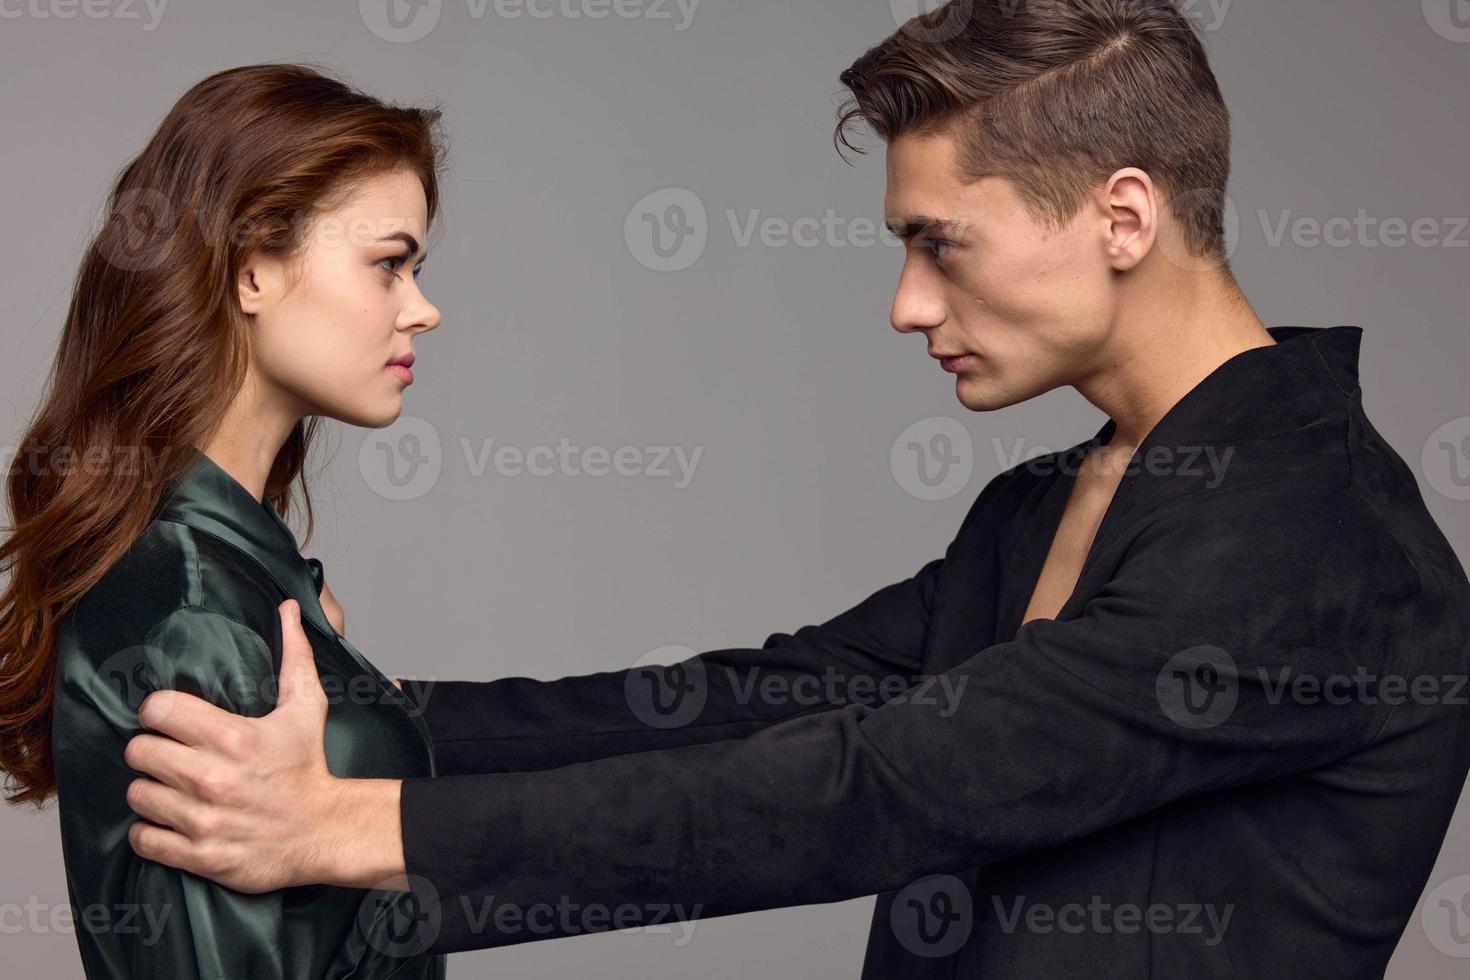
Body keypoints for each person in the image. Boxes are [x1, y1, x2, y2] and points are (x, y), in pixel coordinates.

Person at [115, 2, 1470, 977]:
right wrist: (375, 725)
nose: (903, 304)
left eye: (940, 245)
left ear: (1121, 218)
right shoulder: (1048, 500)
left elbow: (877, 789)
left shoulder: (1317, 534)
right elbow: (758, 701)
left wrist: (365, 824)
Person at [0, 63, 447, 978]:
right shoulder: (196, 612)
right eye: (388, 265)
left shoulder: (236, 576)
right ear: (250, 270)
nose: (424, 310)